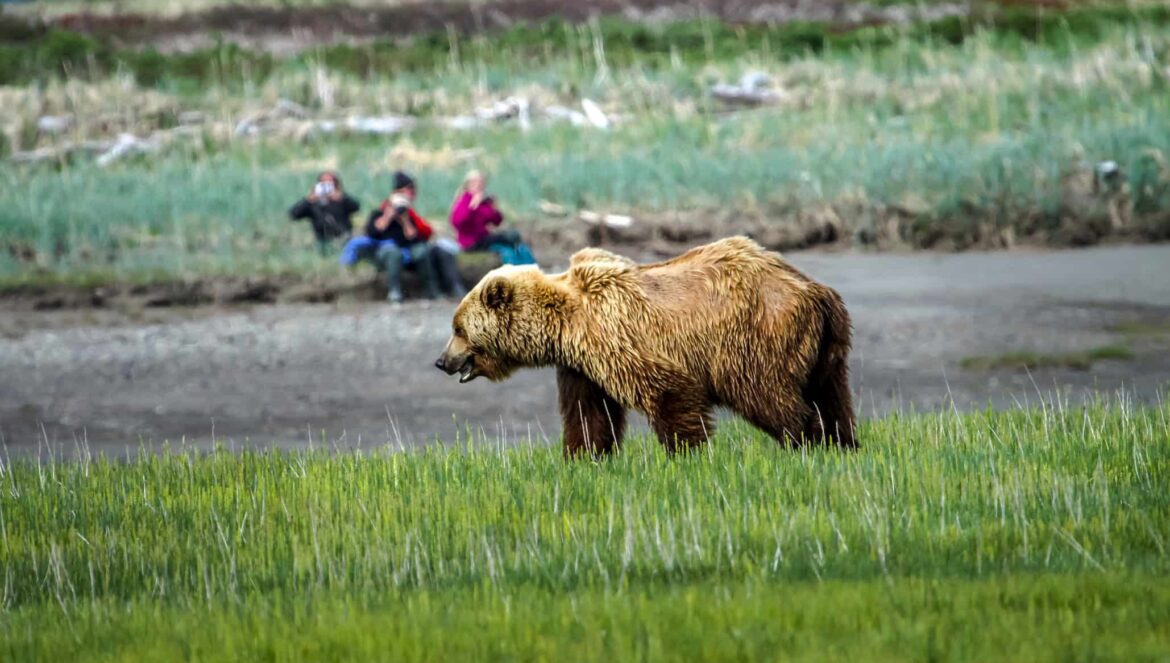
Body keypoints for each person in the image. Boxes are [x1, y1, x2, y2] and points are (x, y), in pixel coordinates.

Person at [340, 172, 463, 303]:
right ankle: (394, 291)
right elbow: (373, 232)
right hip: (386, 252)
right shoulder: (378, 213)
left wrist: (404, 219)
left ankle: (432, 290)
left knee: (422, 251)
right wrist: (388, 215)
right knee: (393, 252)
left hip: (407, 251)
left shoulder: (409, 215)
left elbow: (416, 237)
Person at [449, 170, 536, 265]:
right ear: (468, 185)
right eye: (474, 182)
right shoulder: (464, 200)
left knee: (514, 241)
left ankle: (529, 265)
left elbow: (497, 221)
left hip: (484, 238)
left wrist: (493, 207)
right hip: (471, 242)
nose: (478, 185)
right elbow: (458, 222)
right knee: (510, 237)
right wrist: (473, 205)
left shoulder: (484, 202)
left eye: (481, 182)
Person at [288, 171, 359, 255]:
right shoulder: (313, 203)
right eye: (323, 183)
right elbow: (294, 215)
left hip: (343, 236)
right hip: (322, 239)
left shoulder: (340, 199)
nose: (326, 186)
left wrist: (342, 198)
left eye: (330, 183)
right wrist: (308, 200)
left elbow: (355, 207)